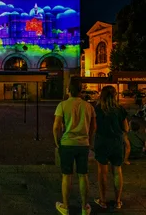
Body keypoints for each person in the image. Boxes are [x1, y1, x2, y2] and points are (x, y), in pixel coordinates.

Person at [53, 77, 96, 215]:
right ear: (81, 90)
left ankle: (65, 207)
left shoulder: (62, 105)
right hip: (83, 144)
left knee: (67, 175)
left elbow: (56, 127)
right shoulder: (88, 106)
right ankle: (84, 207)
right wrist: (89, 139)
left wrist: (57, 142)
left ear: (68, 90)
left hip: (67, 143)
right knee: (83, 175)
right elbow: (93, 127)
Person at [94, 85, 129, 210]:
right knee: (117, 171)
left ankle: (102, 200)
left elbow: (94, 128)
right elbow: (126, 128)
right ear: (115, 96)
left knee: (102, 173)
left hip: (102, 141)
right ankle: (118, 201)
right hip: (116, 143)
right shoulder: (120, 109)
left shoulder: (97, 109)